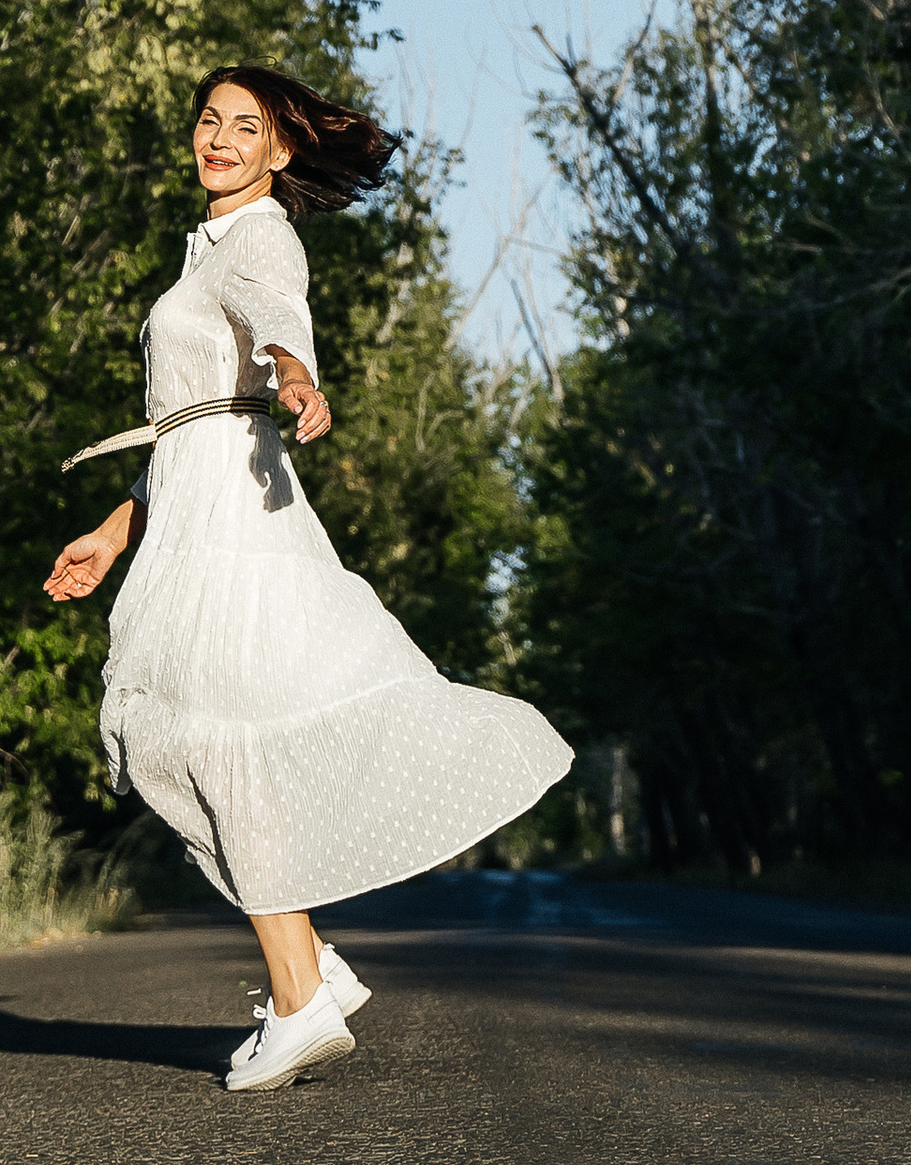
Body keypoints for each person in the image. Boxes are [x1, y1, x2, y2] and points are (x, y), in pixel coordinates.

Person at [45, 63, 572, 1092]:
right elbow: (186, 429)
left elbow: (276, 310)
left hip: (239, 523)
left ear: (282, 153)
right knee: (185, 737)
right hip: (194, 509)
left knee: (189, 736)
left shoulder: (257, 237)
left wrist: (295, 370)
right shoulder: (200, 250)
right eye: (209, 121)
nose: (221, 139)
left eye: (247, 128)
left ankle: (298, 996)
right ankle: (309, 964)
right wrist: (114, 533)